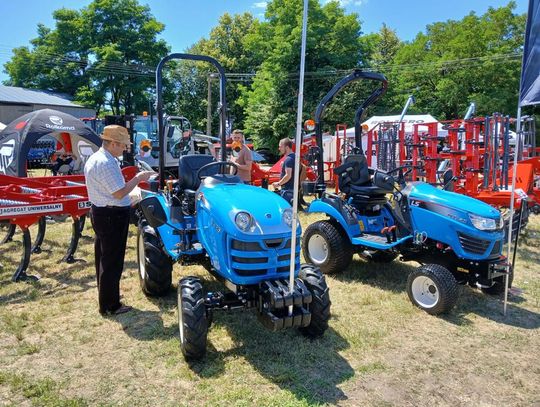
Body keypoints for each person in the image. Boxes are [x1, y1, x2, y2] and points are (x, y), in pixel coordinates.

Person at [84, 125, 154, 316]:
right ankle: (110, 305)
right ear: (113, 143)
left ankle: (106, 296)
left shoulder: (97, 158)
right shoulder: (106, 163)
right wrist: (138, 178)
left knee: (103, 257)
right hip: (111, 216)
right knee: (112, 261)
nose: (125, 148)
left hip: (102, 212)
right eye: (123, 145)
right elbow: (119, 193)